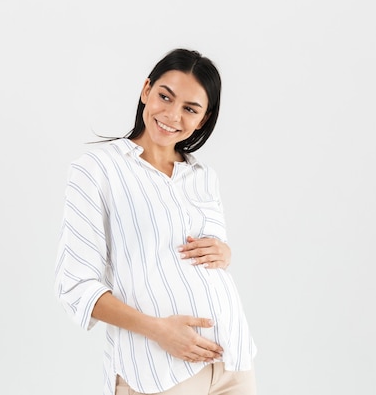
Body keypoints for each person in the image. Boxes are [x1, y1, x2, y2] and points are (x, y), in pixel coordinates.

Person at [54, 48, 257, 395]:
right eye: (165, 96)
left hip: (232, 363)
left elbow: (210, 260)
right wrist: (160, 330)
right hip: (158, 370)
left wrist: (225, 252)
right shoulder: (97, 170)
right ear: (146, 90)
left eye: (190, 109)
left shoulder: (203, 176)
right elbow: (76, 286)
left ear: (203, 119)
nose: (172, 114)